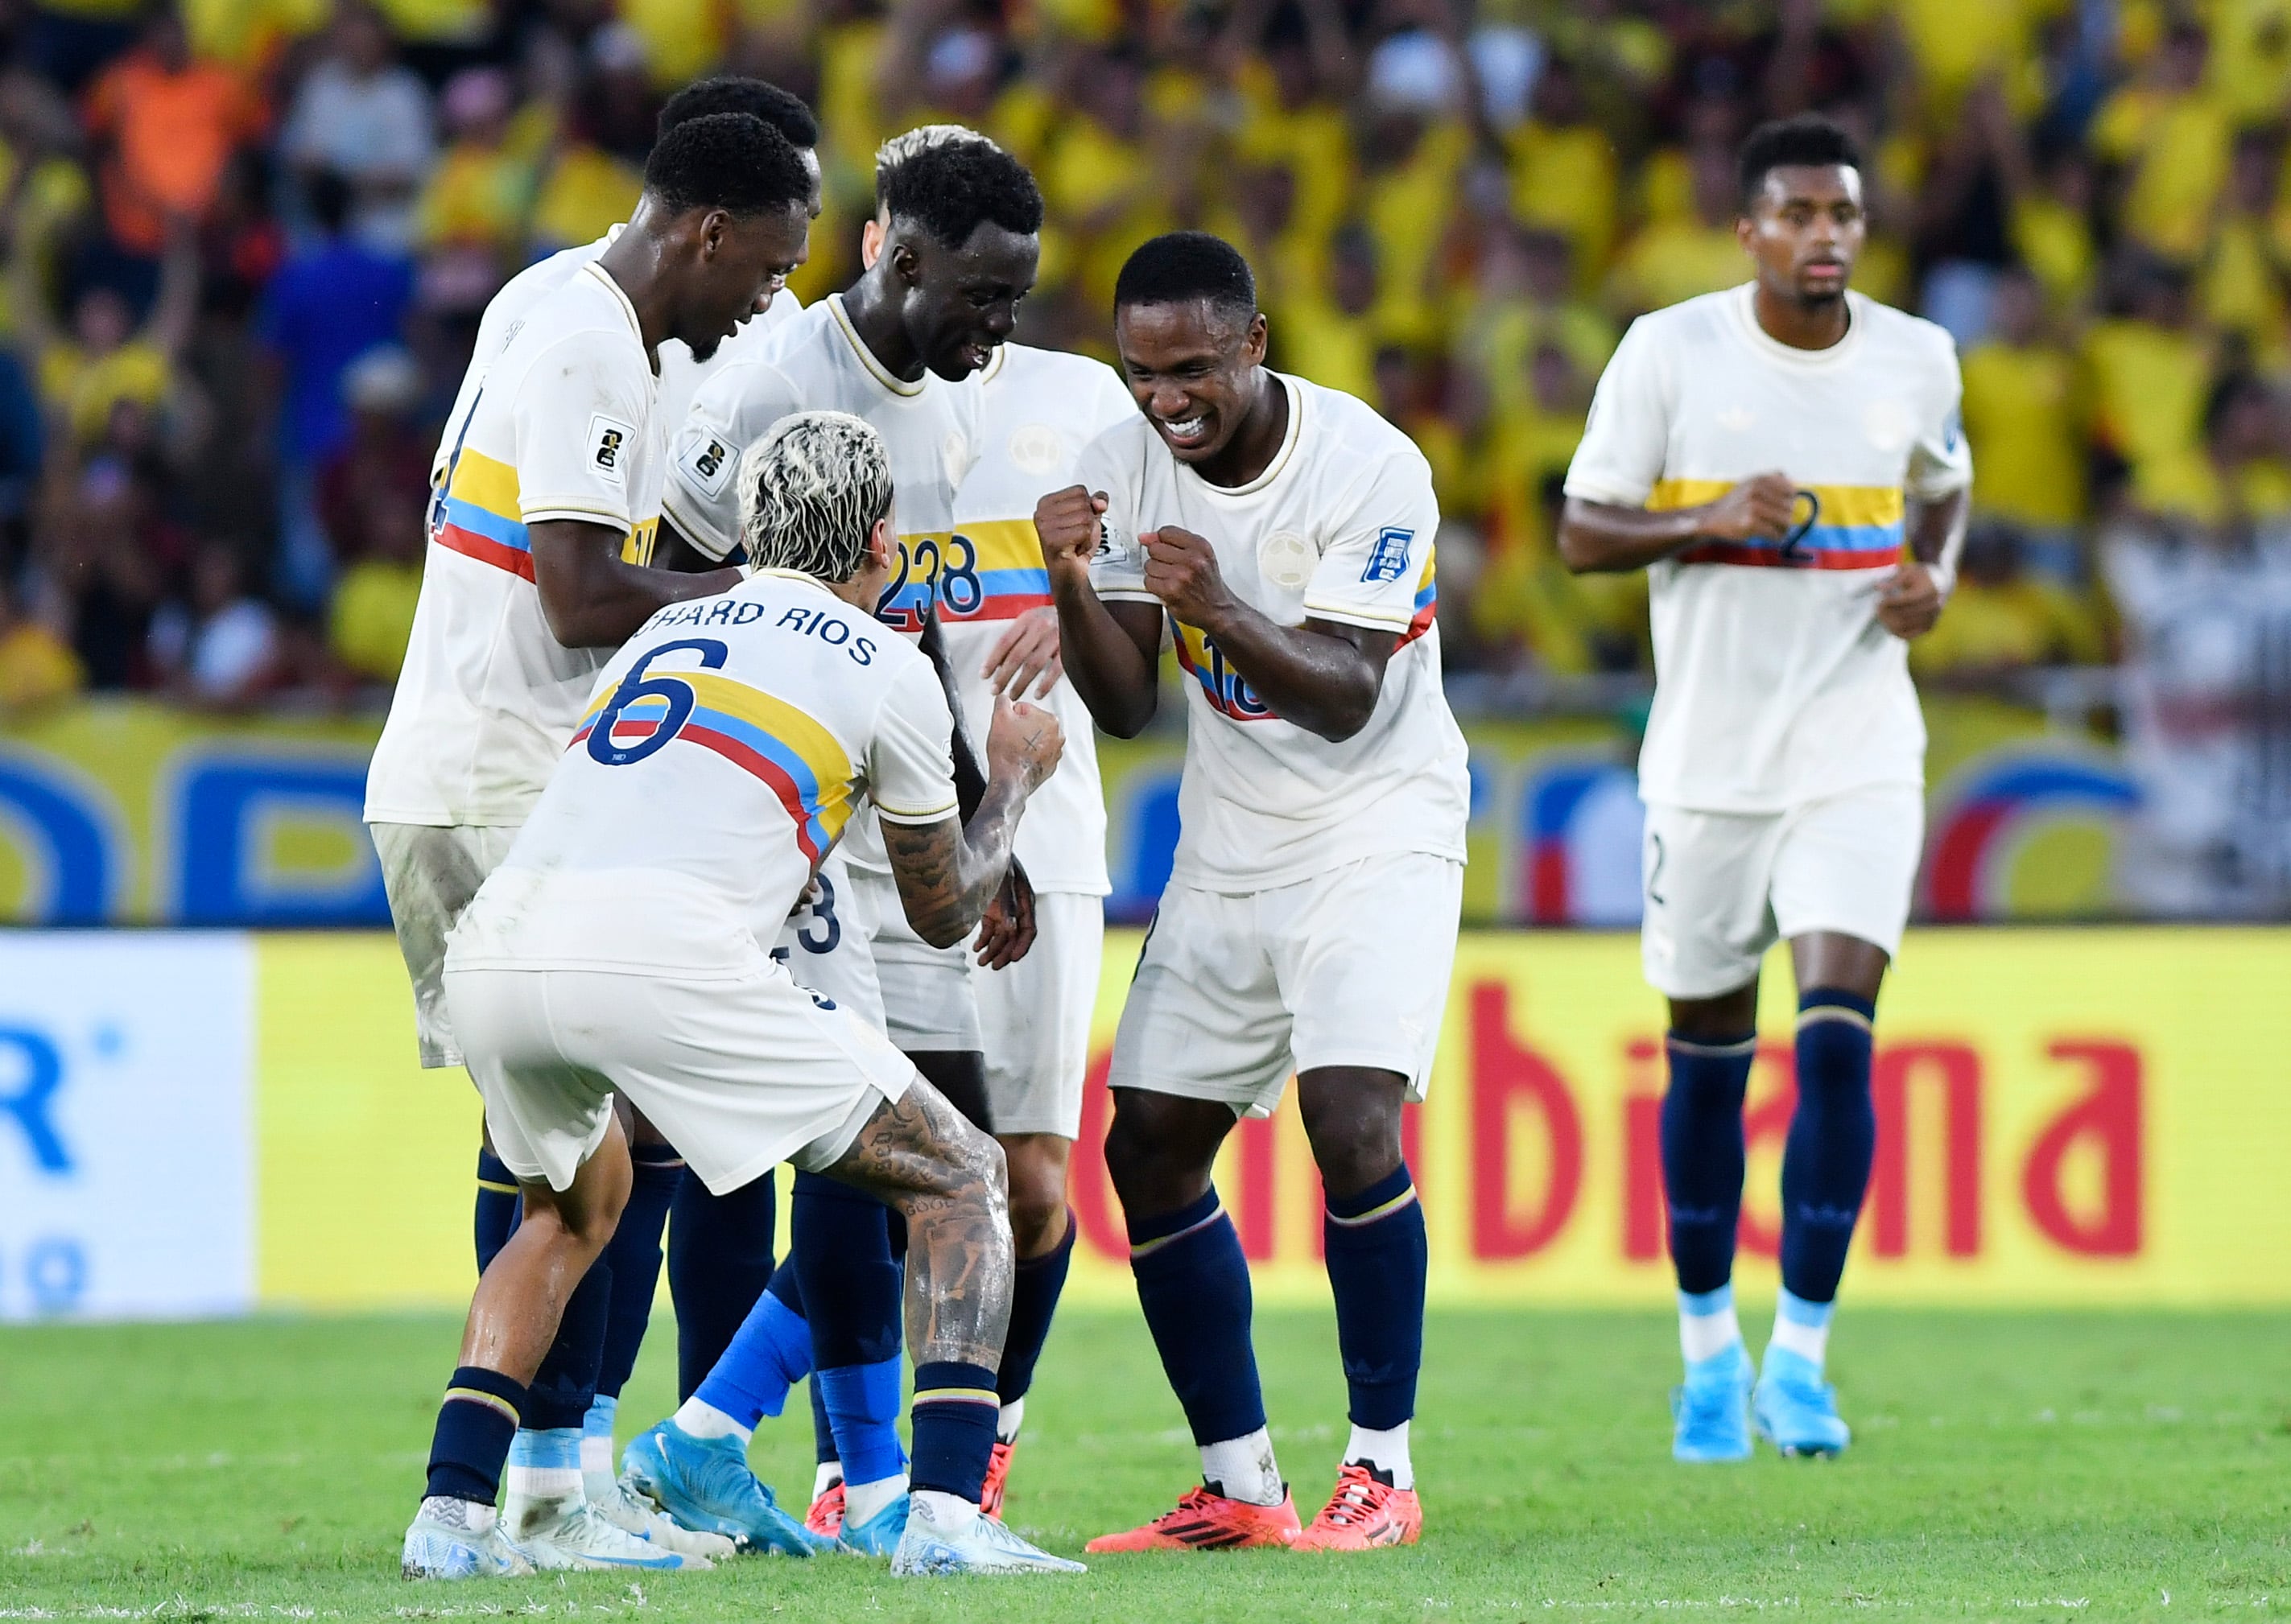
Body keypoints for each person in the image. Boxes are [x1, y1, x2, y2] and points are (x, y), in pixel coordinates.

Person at [401, 409, 1083, 1582]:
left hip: (499, 946)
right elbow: (943, 913)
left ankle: (452, 1515)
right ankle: (944, 1521)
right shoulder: (881, 661)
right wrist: (1012, 780)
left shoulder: (661, 635)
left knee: (568, 1207)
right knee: (962, 1173)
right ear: (881, 542)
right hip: (658, 953)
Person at [363, 109, 812, 1571]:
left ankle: (549, 1482)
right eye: (766, 263)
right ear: (701, 230)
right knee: (597, 1168)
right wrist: (757, 596)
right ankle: (519, 1493)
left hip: (474, 774)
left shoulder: (545, 293)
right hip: (497, 785)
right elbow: (572, 593)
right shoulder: (591, 349)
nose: (770, 292)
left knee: (580, 1145)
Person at [623, 127, 1042, 1558]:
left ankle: (789, 1462)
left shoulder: (940, 405)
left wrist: (987, 812)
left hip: (893, 805)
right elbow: (659, 581)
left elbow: (912, 630)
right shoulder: (769, 384)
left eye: (1016, 301)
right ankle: (846, 1480)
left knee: (913, 1158)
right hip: (783, 827)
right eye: (984, 298)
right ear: (902, 259)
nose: (1002, 329)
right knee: (926, 1155)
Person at [1036, 230, 1467, 1552]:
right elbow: (1123, 704)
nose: (1166, 399)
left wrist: (1213, 602)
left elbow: (1344, 697)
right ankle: (1239, 1481)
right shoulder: (1119, 464)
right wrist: (1069, 580)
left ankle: (1381, 1473)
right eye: (1140, 372)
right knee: (1146, 1145)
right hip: (1229, 845)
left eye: (1192, 370)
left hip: (1377, 824)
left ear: (1253, 344)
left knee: (1350, 1123)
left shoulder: (1370, 465)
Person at [1556, 113, 1971, 1465]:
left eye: (1841, 214)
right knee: (1708, 1061)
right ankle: (1700, 1353)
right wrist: (1706, 519)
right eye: (1795, 214)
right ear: (1748, 232)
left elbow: (1944, 489)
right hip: (1708, 765)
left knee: (1841, 1030)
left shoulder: (1918, 357)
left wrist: (1933, 579)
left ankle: (1799, 1355)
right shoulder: (1668, 351)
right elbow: (1579, 530)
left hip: (1856, 746)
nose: (1822, 236)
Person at [937, 333, 1137, 1518]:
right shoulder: (833, 382)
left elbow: (1168, 562)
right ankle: (838, 1460)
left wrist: (1081, 609)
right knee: (877, 1167)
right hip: (870, 827)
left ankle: (990, 1441)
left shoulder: (1086, 396)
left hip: (1045, 829)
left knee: (1028, 1175)